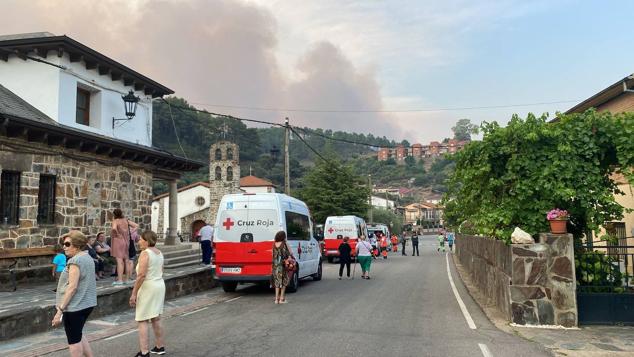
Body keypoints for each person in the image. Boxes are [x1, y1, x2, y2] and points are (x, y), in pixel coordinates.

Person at [52, 230, 97, 357]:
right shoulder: (87, 257)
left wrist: (60, 310)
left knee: (74, 341)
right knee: (78, 334)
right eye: (64, 244)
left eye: (67, 244)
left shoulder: (75, 261)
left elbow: (72, 288)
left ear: (76, 245)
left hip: (75, 307)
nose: (64, 247)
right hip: (87, 304)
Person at [130, 231, 166, 357]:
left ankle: (144, 352)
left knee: (142, 319)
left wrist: (134, 293)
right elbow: (161, 270)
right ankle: (159, 346)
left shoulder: (145, 253)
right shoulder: (159, 253)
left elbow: (141, 275)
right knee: (156, 317)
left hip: (148, 287)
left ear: (146, 240)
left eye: (140, 239)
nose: (138, 241)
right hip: (159, 285)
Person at [110, 208, 139, 285]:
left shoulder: (115, 221)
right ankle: (127, 279)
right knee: (126, 260)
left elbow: (114, 228)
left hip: (118, 241)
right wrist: (130, 232)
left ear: (114, 214)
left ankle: (120, 280)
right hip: (126, 242)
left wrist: (117, 234)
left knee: (119, 261)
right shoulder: (126, 220)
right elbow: (136, 225)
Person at [271, 231, 292, 304]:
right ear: (283, 237)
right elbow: (290, 252)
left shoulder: (274, 244)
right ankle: (282, 299)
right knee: (284, 282)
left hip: (275, 266)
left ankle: (276, 299)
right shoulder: (284, 244)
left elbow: (272, 255)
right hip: (283, 265)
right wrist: (286, 242)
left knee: (277, 282)